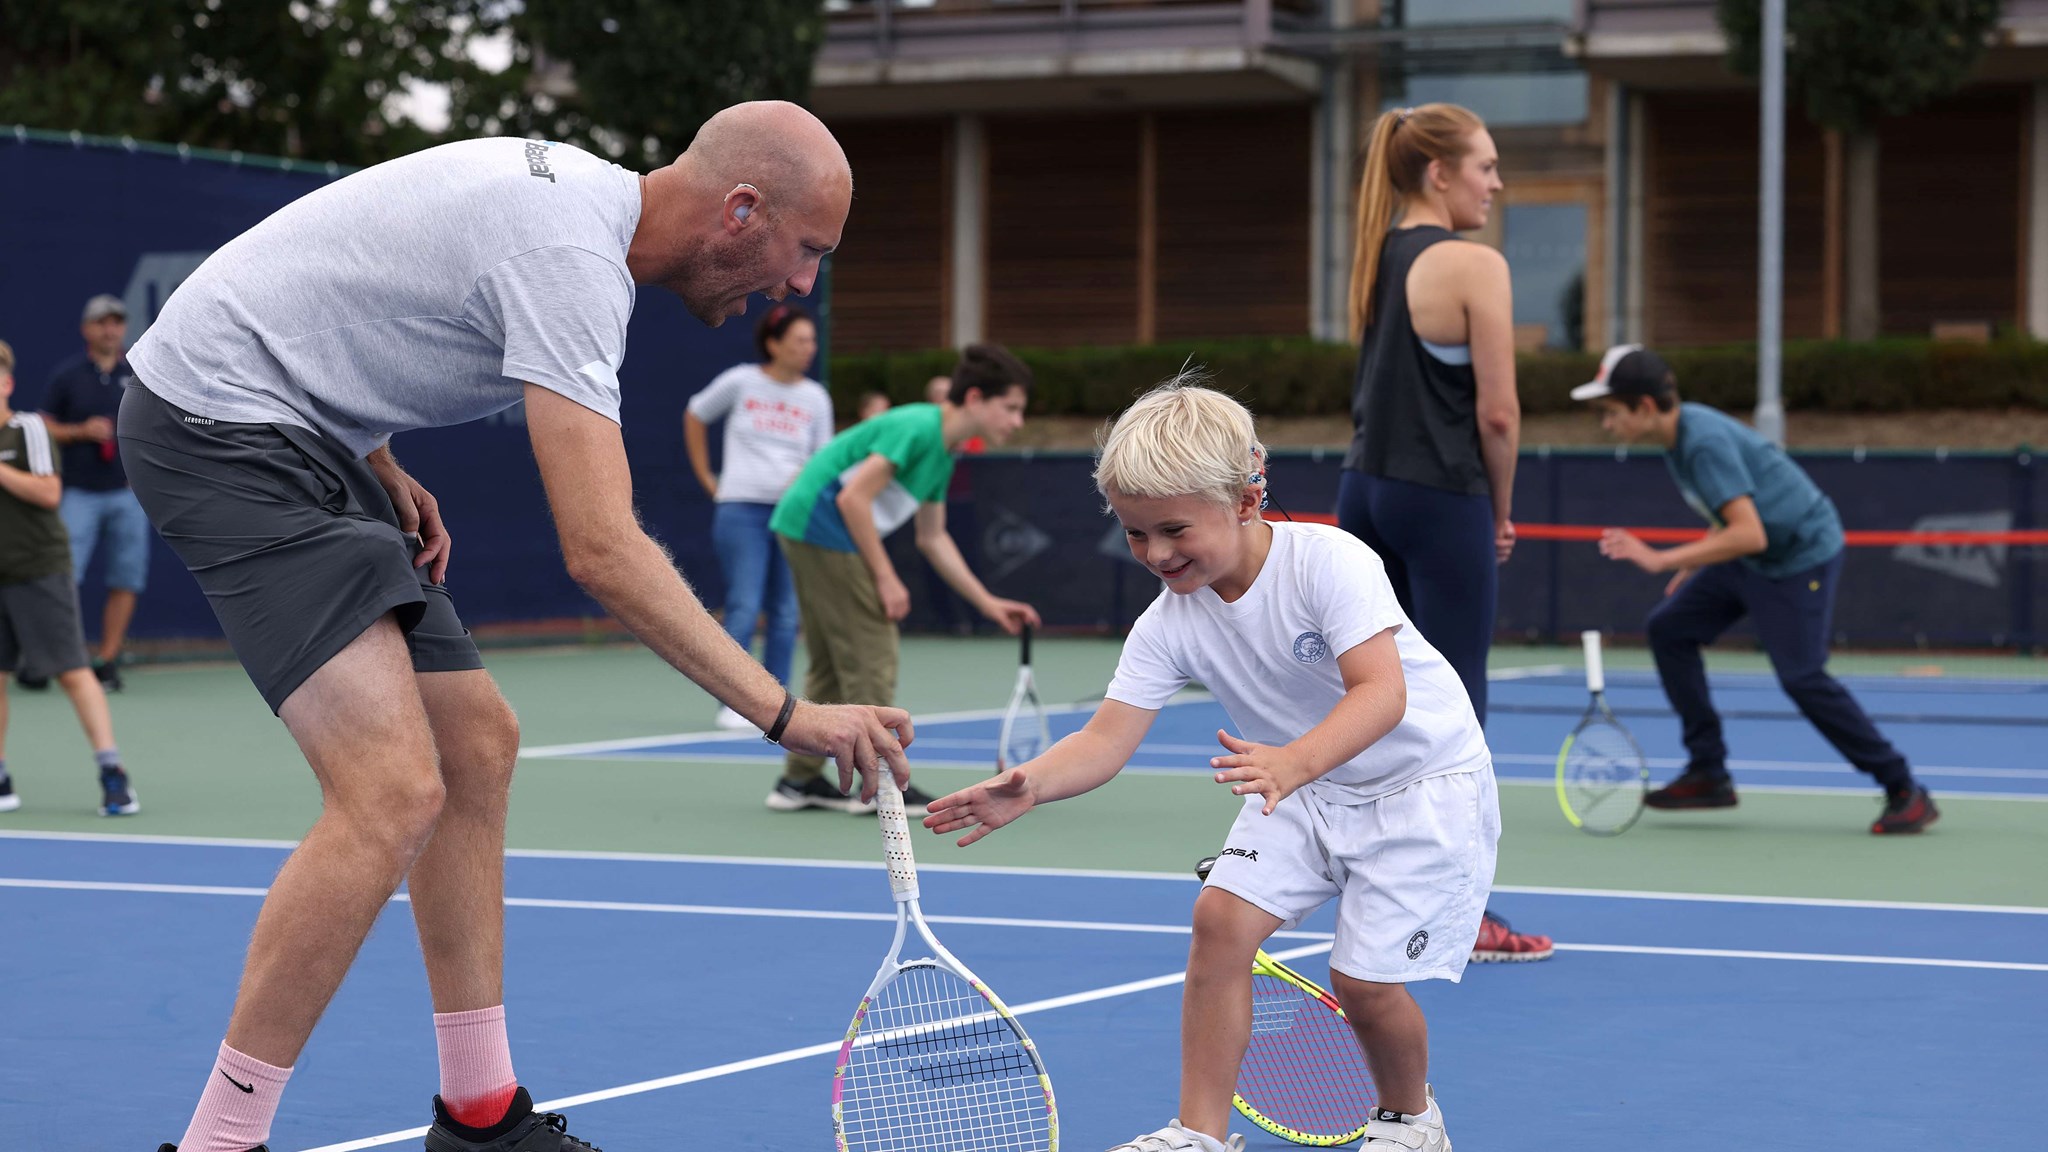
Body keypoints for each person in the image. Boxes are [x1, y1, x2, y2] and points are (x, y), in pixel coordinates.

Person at [119, 102, 916, 1152]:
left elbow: (347, 286)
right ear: (739, 209)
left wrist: (369, 447)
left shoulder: (575, 214)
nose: (801, 286)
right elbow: (602, 551)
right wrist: (785, 714)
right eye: (805, 250)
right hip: (217, 426)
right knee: (389, 791)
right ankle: (216, 1143)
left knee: (475, 743)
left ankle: (480, 1116)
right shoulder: (570, 255)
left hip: (305, 432)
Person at [927, 379, 1496, 1152]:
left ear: (1245, 499)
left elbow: (1382, 695)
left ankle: (1409, 1118)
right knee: (1220, 923)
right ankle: (1199, 1135)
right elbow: (1104, 739)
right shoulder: (1168, 625)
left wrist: (1296, 760)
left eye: (1173, 529)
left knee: (1362, 984)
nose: (1156, 554)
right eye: (1134, 534)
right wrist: (1031, 787)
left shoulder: (1330, 561)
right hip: (1295, 778)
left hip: (1419, 783)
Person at [1338, 103, 1550, 964]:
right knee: (1458, 712)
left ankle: (1362, 882)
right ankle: (1465, 917)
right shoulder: (1472, 263)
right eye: (1486, 167)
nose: (1496, 184)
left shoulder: (1376, 255)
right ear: (1439, 174)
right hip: (1439, 497)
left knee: (1374, 704)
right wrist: (1499, 509)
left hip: (1365, 495)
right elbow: (1497, 414)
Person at [1575, 344, 1939, 834]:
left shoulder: (1700, 443)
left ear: (1643, 406)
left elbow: (1750, 532)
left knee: (1802, 677)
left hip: (1798, 556)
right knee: (1670, 629)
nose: (1606, 425)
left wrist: (1663, 559)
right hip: (1754, 554)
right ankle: (1709, 772)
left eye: (1610, 412)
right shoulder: (1680, 438)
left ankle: (1904, 788)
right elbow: (1733, 515)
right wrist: (1697, 561)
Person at [768, 344, 1039, 816]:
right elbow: (853, 499)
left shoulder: (943, 451)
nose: (1017, 422)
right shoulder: (918, 426)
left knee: (833, 663)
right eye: (1010, 408)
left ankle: (799, 781)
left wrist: (987, 602)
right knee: (873, 653)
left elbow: (933, 538)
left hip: (806, 527)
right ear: (975, 398)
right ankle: (878, 787)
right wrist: (886, 577)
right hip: (820, 526)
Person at [0, 337, 139, 817]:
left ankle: (113, 774)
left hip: (38, 568)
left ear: (7, 382)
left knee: (73, 672)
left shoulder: (28, 430)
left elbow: (48, 492)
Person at [684, 302, 833, 730]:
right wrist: (708, 478)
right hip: (741, 510)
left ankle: (778, 707)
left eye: (812, 340)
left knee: (786, 612)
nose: (809, 348)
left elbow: (821, 457)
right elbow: (696, 414)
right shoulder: (741, 381)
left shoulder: (815, 397)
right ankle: (735, 702)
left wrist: (802, 491)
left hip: (792, 516)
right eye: (800, 340)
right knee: (745, 605)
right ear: (774, 343)